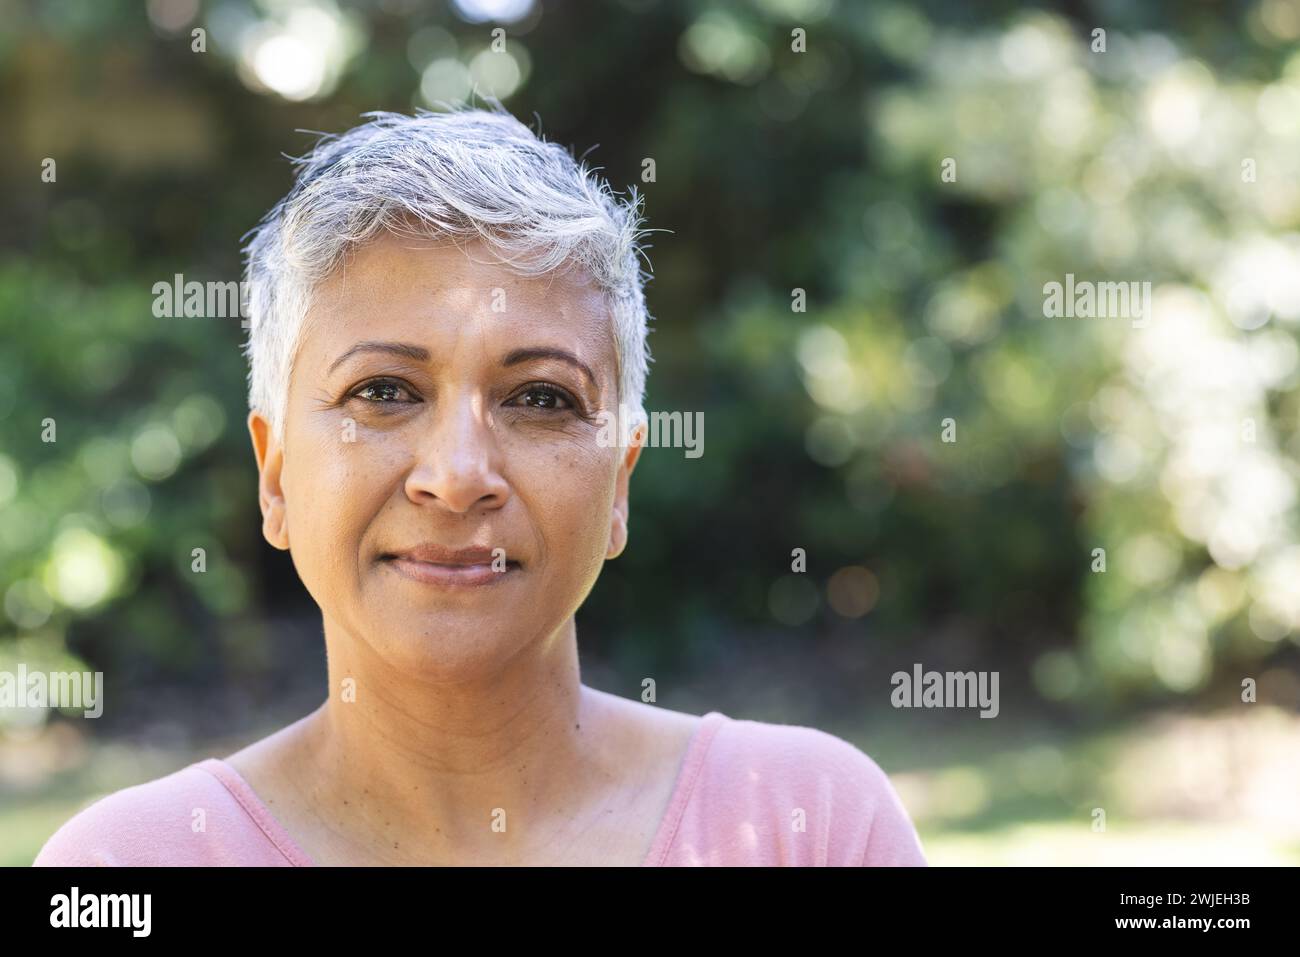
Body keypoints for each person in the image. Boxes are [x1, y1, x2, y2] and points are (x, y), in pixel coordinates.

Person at [34, 107, 926, 866]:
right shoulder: (128, 866)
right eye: (382, 392)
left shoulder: (807, 828)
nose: (457, 477)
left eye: (540, 397)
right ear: (274, 476)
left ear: (620, 482)